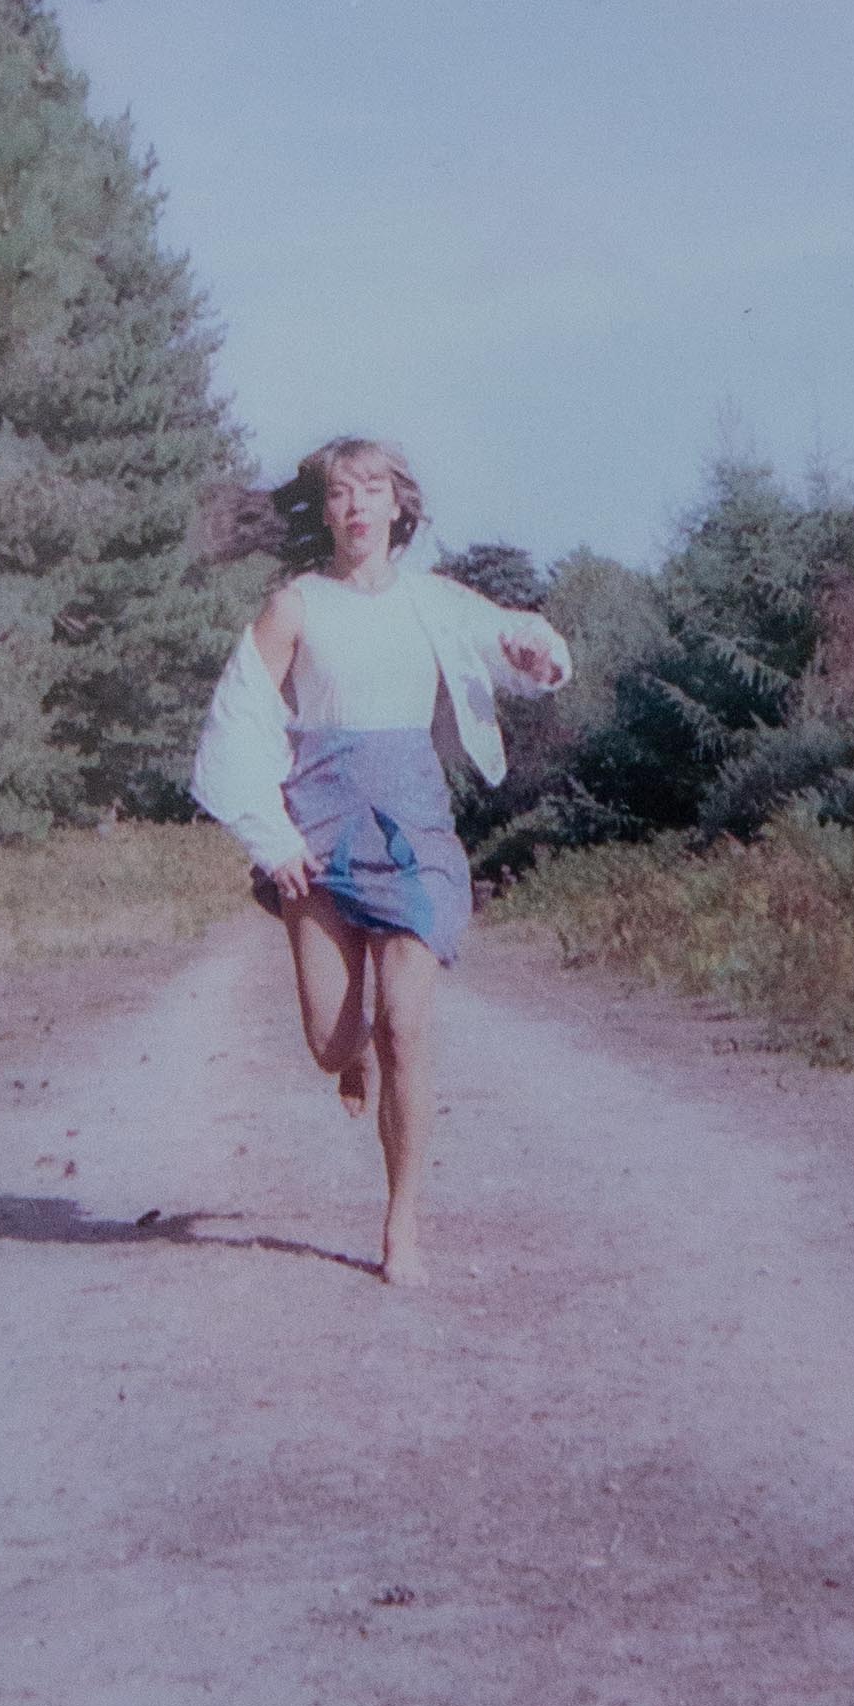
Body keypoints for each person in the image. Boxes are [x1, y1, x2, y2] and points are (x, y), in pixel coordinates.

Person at [188, 436, 569, 1286]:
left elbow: (516, 641)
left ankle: (402, 1222)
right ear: (325, 511)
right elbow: (237, 722)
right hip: (316, 829)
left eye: (372, 489)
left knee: (405, 1023)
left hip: (412, 829)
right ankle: (350, 1058)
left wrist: (537, 656)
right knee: (333, 1042)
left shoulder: (434, 601)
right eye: (341, 491)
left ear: (399, 507)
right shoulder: (295, 606)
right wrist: (272, 837)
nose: (357, 504)